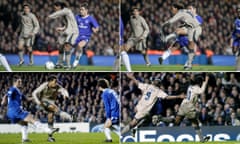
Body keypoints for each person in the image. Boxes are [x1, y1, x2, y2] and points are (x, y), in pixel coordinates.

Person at [1, 75, 58, 143]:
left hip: (10, 113)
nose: (21, 83)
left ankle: (24, 139)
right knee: (32, 118)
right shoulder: (13, 89)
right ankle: (48, 130)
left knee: (24, 123)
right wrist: (3, 100)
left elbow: (27, 99)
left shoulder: (18, 92)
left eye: (21, 81)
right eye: (19, 81)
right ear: (15, 82)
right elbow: (8, 94)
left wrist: (37, 97)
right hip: (15, 110)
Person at [32, 75, 72, 142]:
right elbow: (34, 93)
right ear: (50, 81)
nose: (56, 83)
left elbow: (63, 90)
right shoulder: (44, 85)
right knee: (52, 107)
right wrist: (38, 102)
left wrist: (65, 95)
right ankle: (63, 114)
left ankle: (50, 136)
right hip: (42, 101)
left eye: (56, 82)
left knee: (50, 117)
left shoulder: (57, 86)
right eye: (55, 81)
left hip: (51, 103)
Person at [174, 75, 210, 142]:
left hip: (183, 105)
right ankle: (201, 139)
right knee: (195, 122)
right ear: (199, 83)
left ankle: (160, 118)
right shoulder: (196, 88)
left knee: (176, 121)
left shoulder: (190, 86)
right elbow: (202, 91)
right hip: (189, 107)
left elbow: (193, 81)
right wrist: (206, 81)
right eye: (201, 83)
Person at [48, 1, 79, 70]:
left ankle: (68, 65)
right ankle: (60, 63)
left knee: (67, 47)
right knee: (60, 46)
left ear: (59, 6)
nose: (55, 9)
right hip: (67, 31)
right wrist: (62, 28)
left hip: (73, 31)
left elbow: (58, 13)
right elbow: (67, 24)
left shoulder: (66, 10)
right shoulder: (64, 14)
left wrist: (49, 16)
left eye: (55, 7)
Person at [118, 6, 150, 72]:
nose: (135, 12)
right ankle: (121, 62)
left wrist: (143, 36)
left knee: (143, 52)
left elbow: (147, 29)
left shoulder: (141, 19)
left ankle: (148, 62)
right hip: (133, 37)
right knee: (125, 48)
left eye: (136, 11)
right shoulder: (131, 18)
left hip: (140, 37)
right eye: (134, 11)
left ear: (139, 12)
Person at [72, 2, 99, 68]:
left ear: (86, 10)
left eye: (82, 9)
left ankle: (76, 60)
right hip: (76, 36)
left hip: (85, 37)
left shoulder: (90, 18)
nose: (81, 11)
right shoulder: (77, 17)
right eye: (80, 9)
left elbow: (97, 27)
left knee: (80, 45)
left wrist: (95, 30)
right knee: (68, 47)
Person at [230, 6, 240, 71]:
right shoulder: (236, 21)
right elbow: (234, 32)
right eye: (238, 12)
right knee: (236, 54)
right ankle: (237, 67)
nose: (239, 13)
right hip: (237, 39)